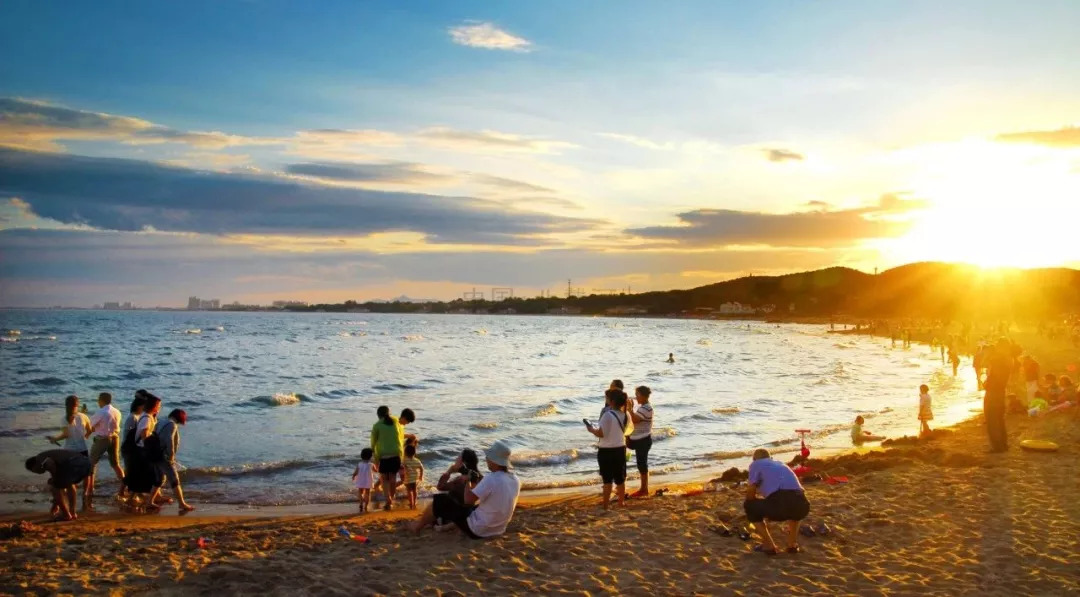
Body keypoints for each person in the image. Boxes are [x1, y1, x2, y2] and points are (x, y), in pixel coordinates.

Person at [411, 440, 520, 539]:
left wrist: (467, 480)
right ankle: (448, 526)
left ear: (495, 461)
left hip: (479, 530)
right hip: (498, 529)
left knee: (439, 501)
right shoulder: (515, 479)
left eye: (489, 457)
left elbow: (468, 500)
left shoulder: (491, 478)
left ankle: (417, 527)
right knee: (476, 507)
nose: (486, 459)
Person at [743, 448, 811, 555]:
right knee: (794, 511)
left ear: (754, 459)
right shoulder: (781, 464)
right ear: (770, 458)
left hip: (780, 502)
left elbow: (751, 490)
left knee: (749, 506)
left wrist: (752, 501)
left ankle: (769, 546)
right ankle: (792, 545)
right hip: (802, 505)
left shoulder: (756, 464)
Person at [46, 395, 92, 510]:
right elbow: (90, 430)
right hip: (83, 450)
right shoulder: (84, 416)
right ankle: (85, 494)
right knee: (86, 475)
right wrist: (84, 437)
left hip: (69, 452)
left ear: (66, 405)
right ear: (78, 405)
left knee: (66, 479)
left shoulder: (64, 418)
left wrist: (54, 439)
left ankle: (58, 505)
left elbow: (66, 434)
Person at [586, 389, 629, 509]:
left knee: (607, 479)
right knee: (620, 478)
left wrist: (591, 430)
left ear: (611, 401)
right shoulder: (625, 414)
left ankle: (605, 505)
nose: (605, 400)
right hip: (620, 449)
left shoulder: (607, 415)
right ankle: (621, 502)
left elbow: (601, 434)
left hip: (606, 451)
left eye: (606, 398)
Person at [25, 449, 92, 521]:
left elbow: (51, 465)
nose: (37, 473)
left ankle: (66, 515)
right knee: (69, 484)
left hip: (71, 463)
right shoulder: (50, 457)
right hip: (85, 463)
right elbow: (61, 482)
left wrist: (55, 504)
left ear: (34, 466)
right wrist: (56, 504)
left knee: (54, 487)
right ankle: (72, 512)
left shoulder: (40, 458)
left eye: (34, 471)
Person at [87, 392, 125, 507]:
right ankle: (125, 485)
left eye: (98, 400)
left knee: (91, 464)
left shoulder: (101, 412)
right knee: (115, 464)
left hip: (102, 439)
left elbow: (90, 426)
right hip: (115, 438)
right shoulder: (117, 411)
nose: (98, 402)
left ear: (101, 400)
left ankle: (90, 489)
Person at [123, 394, 163, 501]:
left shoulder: (147, 416)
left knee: (140, 475)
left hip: (141, 450)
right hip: (143, 450)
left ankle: (132, 498)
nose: (159, 408)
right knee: (146, 475)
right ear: (153, 406)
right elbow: (144, 433)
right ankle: (144, 498)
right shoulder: (147, 418)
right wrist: (150, 448)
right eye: (158, 406)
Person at [155, 409, 194, 513]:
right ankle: (182, 503)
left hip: (156, 453)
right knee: (174, 479)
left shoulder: (161, 421)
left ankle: (150, 500)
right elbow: (169, 441)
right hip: (164, 456)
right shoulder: (172, 425)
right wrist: (171, 456)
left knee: (159, 479)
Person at [371, 405, 405, 510]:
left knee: (384, 479)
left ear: (378, 415)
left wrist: (376, 459)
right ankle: (392, 497)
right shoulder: (396, 421)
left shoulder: (376, 425)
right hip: (396, 454)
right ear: (389, 413)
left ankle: (388, 500)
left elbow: (373, 443)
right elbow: (401, 435)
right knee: (393, 478)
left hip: (384, 455)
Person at [984, 339, 1013, 452]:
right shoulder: (1009, 359)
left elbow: (993, 376)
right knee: (1000, 419)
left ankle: (997, 446)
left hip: (993, 392)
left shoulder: (997, 360)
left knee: (992, 420)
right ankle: (1003, 445)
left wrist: (986, 383)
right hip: (1001, 392)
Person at [626, 385, 654, 498]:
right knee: (641, 463)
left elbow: (635, 419)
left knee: (642, 464)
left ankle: (644, 489)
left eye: (637, 395)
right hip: (638, 439)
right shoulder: (643, 407)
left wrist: (630, 409)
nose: (636, 397)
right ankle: (643, 488)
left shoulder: (647, 408)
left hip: (643, 440)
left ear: (643, 396)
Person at [121, 393, 146, 483]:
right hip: (129, 448)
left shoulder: (137, 417)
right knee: (130, 471)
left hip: (132, 447)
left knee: (132, 470)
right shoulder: (132, 418)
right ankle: (122, 492)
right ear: (139, 406)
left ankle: (133, 490)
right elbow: (131, 435)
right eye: (144, 406)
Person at [352, 448, 377, 513]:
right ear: (370, 456)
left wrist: (353, 476)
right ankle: (366, 506)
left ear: (361, 455)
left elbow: (356, 472)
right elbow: (376, 470)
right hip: (368, 481)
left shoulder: (359, 464)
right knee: (367, 493)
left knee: (360, 492)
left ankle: (361, 503)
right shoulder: (371, 464)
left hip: (360, 480)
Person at [401, 443, 424, 510]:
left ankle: (411, 503)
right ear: (414, 453)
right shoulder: (417, 460)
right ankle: (415, 501)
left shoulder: (404, 460)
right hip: (415, 478)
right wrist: (421, 476)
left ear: (405, 452)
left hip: (408, 478)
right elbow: (421, 468)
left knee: (409, 491)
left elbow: (402, 466)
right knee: (414, 490)